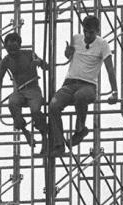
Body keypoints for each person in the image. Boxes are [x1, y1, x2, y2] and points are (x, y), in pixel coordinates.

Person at [48, 16, 118, 155]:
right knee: (53, 105)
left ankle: (79, 130)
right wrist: (68, 52)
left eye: (91, 32)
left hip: (88, 85)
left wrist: (114, 91)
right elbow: (68, 56)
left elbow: (110, 69)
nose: (87, 35)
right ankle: (59, 144)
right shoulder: (76, 38)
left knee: (80, 96)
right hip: (70, 82)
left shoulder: (103, 44)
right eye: (85, 31)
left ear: (97, 31)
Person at [0, 32, 48, 148]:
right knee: (12, 103)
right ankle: (25, 131)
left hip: (33, 90)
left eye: (15, 49)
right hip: (19, 92)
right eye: (9, 50)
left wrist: (40, 62)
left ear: (20, 46)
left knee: (35, 111)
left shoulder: (29, 54)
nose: (12, 53)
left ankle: (44, 137)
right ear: (6, 48)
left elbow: (46, 66)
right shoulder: (6, 60)